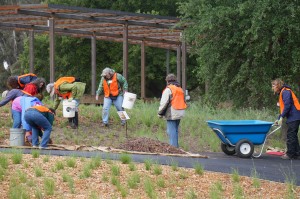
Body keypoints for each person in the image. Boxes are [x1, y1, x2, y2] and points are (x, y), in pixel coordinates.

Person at [272, 78, 300, 160]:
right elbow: (283, 108)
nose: (272, 87)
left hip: (294, 116)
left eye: (273, 85)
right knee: (293, 135)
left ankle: (290, 154)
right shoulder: (283, 92)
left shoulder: (286, 92)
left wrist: (282, 117)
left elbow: (287, 105)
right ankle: (297, 154)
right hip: (294, 115)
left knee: (291, 135)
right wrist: (279, 118)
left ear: (278, 85)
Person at [158, 74, 187, 148]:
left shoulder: (168, 89)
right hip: (180, 111)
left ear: (167, 81)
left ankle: (173, 148)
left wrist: (160, 113)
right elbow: (184, 101)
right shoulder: (180, 89)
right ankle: (176, 147)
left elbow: (164, 103)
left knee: (171, 131)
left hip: (172, 112)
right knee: (175, 130)